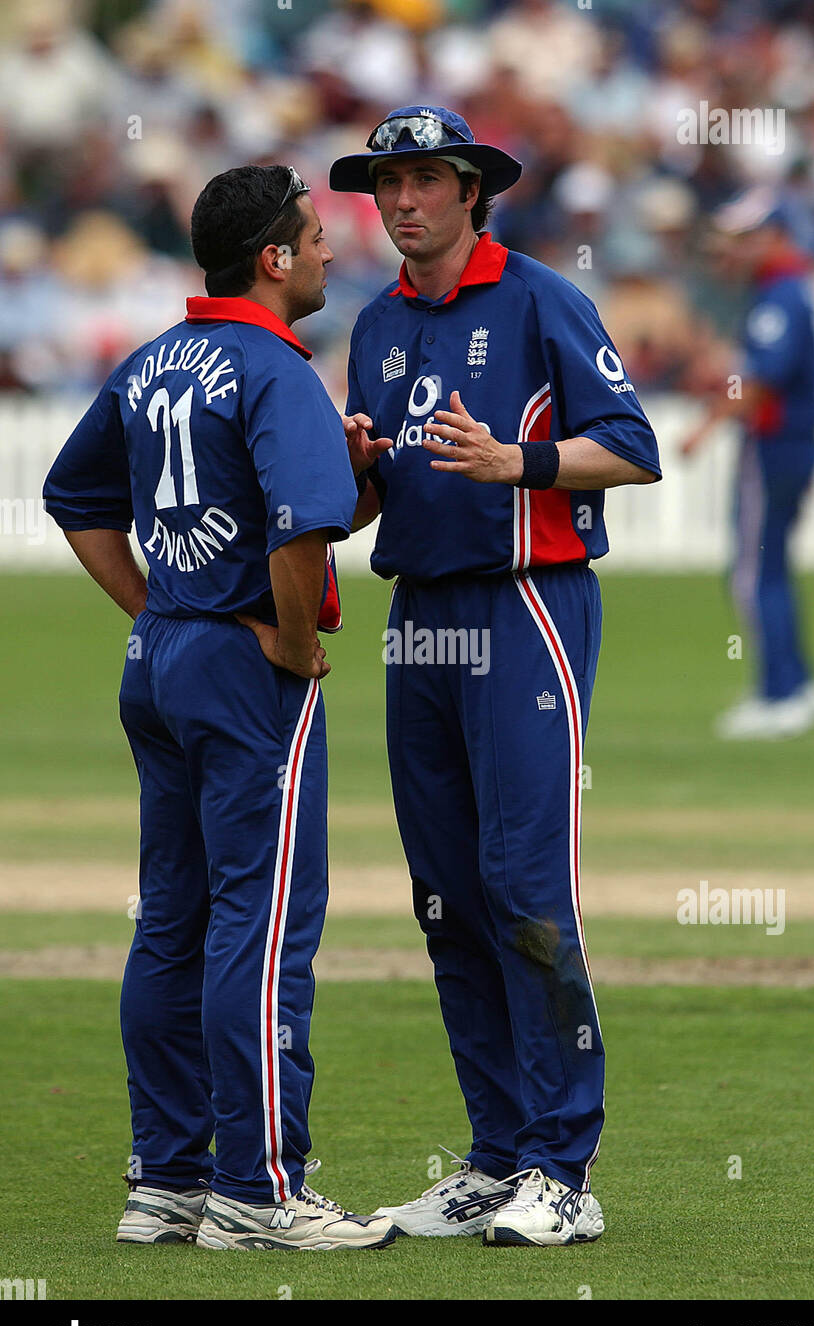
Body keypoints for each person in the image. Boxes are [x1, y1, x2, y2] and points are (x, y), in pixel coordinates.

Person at [43, 164, 397, 1253]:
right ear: (272, 259)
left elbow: (75, 496)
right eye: (316, 234)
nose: (335, 249)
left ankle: (168, 1182)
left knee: (172, 920)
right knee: (265, 922)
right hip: (248, 672)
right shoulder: (278, 367)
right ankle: (258, 1188)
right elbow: (295, 530)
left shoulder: (154, 359)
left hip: (161, 663)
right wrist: (292, 642)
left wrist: (160, 611)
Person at [330, 106, 661, 1247]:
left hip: (525, 608)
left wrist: (515, 459)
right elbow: (374, 501)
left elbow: (630, 444)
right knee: (445, 899)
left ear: (472, 189)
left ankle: (563, 1168)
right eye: (386, 183)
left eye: (423, 180)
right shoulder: (373, 323)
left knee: (524, 888)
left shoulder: (539, 299)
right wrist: (361, 476)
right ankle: (492, 1154)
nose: (401, 201)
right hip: (418, 615)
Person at [681, 187, 814, 739]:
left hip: (774, 445)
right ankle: (795, 680)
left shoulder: (781, 295)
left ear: (777, 237)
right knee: (769, 567)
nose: (739, 250)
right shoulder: (784, 291)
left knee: (753, 572)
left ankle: (781, 694)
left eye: (750, 238)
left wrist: (701, 430)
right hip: (792, 442)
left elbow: (761, 382)